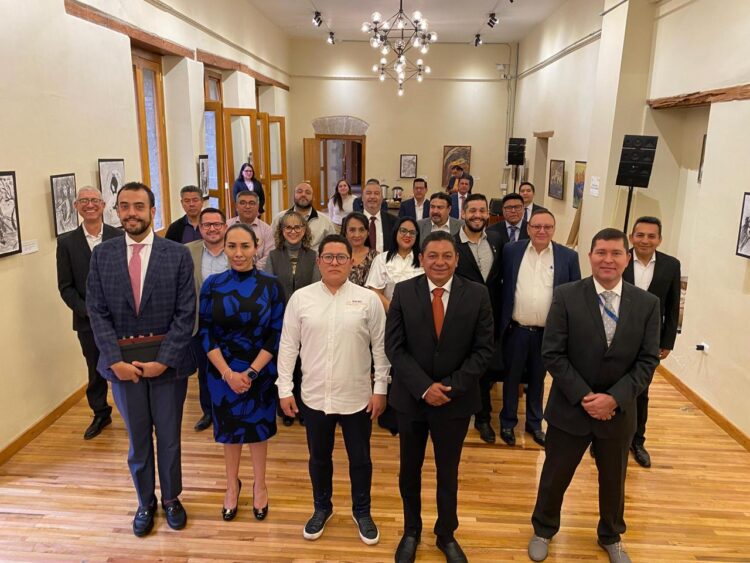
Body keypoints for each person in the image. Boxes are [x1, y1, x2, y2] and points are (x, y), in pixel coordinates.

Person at [527, 228, 660, 563]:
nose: (608, 259)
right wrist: (587, 397)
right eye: (601, 252)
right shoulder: (567, 295)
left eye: (616, 253)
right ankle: (543, 529)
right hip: (571, 409)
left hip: (618, 412)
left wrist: (613, 399)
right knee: (555, 475)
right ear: (590, 256)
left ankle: (611, 535)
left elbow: (647, 361)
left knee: (614, 481)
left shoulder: (647, 304)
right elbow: (552, 353)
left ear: (627, 258)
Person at [87, 182, 196, 537]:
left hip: (168, 369)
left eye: (138, 206)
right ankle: (145, 501)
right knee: (137, 439)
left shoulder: (176, 255)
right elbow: (96, 312)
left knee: (169, 437)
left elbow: (186, 313)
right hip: (122, 369)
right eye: (124, 206)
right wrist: (114, 360)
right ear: (117, 211)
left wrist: (164, 361)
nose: (131, 213)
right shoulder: (102, 256)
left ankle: (172, 499)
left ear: (153, 210)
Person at [385, 231, 495, 563]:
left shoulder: (477, 294)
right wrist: (424, 387)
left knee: (448, 472)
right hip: (412, 400)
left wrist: (449, 388)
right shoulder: (404, 291)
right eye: (432, 255)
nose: (440, 262)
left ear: (457, 259)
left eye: (447, 255)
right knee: (409, 470)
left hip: (455, 402)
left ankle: (446, 534)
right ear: (421, 259)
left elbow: (483, 350)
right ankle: (411, 531)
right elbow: (394, 347)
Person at [277, 235, 389, 545]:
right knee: (319, 458)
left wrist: (380, 388)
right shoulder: (301, 298)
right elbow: (288, 346)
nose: (335, 262)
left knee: (360, 459)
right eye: (328, 257)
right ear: (318, 261)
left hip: (357, 398)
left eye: (341, 257)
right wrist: (284, 388)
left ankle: (362, 511)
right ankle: (321, 508)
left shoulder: (368, 300)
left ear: (352, 262)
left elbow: (381, 348)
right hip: (314, 397)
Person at [199, 223, 285, 522]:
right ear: (224, 247)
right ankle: (231, 486)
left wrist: (250, 373)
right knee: (230, 433)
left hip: (259, 372)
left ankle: (260, 485)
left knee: (258, 432)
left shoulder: (271, 285)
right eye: (232, 246)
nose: (238, 253)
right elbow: (205, 332)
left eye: (245, 246)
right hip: (222, 371)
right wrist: (228, 373)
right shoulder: (212, 284)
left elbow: (277, 333)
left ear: (256, 247)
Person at [497, 210, 581, 448]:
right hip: (516, 330)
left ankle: (534, 423)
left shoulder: (568, 257)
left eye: (547, 227)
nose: (542, 231)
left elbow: (574, 295)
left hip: (548, 334)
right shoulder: (511, 251)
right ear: (528, 228)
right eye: (536, 226)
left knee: (538, 379)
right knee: (511, 378)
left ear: (554, 229)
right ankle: (507, 422)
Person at [56, 186, 123, 440]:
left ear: (103, 205)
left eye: (94, 200)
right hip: (87, 321)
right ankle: (101, 413)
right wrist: (89, 312)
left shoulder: (119, 236)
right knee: (95, 369)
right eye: (84, 201)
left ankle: (134, 411)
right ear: (76, 206)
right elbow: (66, 287)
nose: (90, 205)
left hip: (121, 319)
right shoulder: (66, 243)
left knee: (126, 365)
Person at [623, 216, 681, 468]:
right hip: (617, 337)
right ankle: (603, 439)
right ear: (631, 237)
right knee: (610, 386)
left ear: (659, 239)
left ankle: (637, 441)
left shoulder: (671, 265)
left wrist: (667, 341)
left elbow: (672, 306)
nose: (645, 240)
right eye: (640, 235)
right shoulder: (620, 258)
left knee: (641, 392)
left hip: (650, 340)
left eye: (651, 236)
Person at [452, 193, 505, 445]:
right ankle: (458, 413)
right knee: (460, 367)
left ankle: (483, 418)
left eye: (482, 211)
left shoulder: (496, 241)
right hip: (460, 319)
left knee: (484, 369)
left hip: (489, 317)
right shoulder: (451, 244)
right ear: (463, 213)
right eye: (472, 210)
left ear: (488, 214)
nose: (477, 215)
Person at [366, 217, 423, 435]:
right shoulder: (382, 259)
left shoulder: (421, 259)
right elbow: (374, 290)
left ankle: (412, 411)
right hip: (389, 319)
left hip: (418, 321)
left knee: (412, 365)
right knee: (390, 363)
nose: (407, 235)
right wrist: (396, 310)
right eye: (403, 231)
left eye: (412, 232)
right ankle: (390, 416)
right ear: (395, 233)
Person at [264, 211, 321, 426]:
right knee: (285, 364)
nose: (293, 231)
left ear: (305, 230)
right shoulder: (273, 256)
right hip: (280, 320)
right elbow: (269, 289)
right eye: (288, 227)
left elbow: (316, 288)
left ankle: (304, 409)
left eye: (298, 227)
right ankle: (287, 411)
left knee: (305, 366)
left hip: (308, 319)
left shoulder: (313, 256)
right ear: (281, 231)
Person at [186, 208, 229, 432]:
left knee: (230, 368)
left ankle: (229, 410)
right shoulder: (187, 251)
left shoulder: (236, 249)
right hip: (199, 324)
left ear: (225, 227)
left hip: (231, 324)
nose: (212, 229)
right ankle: (208, 412)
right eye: (207, 225)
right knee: (204, 371)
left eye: (216, 224)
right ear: (200, 228)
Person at [271, 182, 336, 249]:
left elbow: (333, 246)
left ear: (313, 197)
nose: (303, 194)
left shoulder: (325, 221)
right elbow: (272, 244)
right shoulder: (279, 218)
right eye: (299, 192)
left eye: (308, 192)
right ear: (294, 195)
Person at [227, 190, 274, 270]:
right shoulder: (227, 226)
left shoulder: (267, 230)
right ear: (236, 207)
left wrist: (251, 269)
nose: (247, 206)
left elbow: (269, 256)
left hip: (256, 273)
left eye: (252, 203)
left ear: (258, 206)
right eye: (243, 203)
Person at [353, 178, 397, 253]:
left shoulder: (394, 222)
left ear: (382, 198)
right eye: (368, 193)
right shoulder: (350, 221)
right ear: (362, 198)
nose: (372, 196)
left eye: (376, 193)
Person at [342, 212, 379, 286]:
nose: (357, 235)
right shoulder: (336, 255)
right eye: (352, 230)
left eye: (361, 230)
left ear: (368, 232)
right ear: (345, 232)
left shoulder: (376, 257)